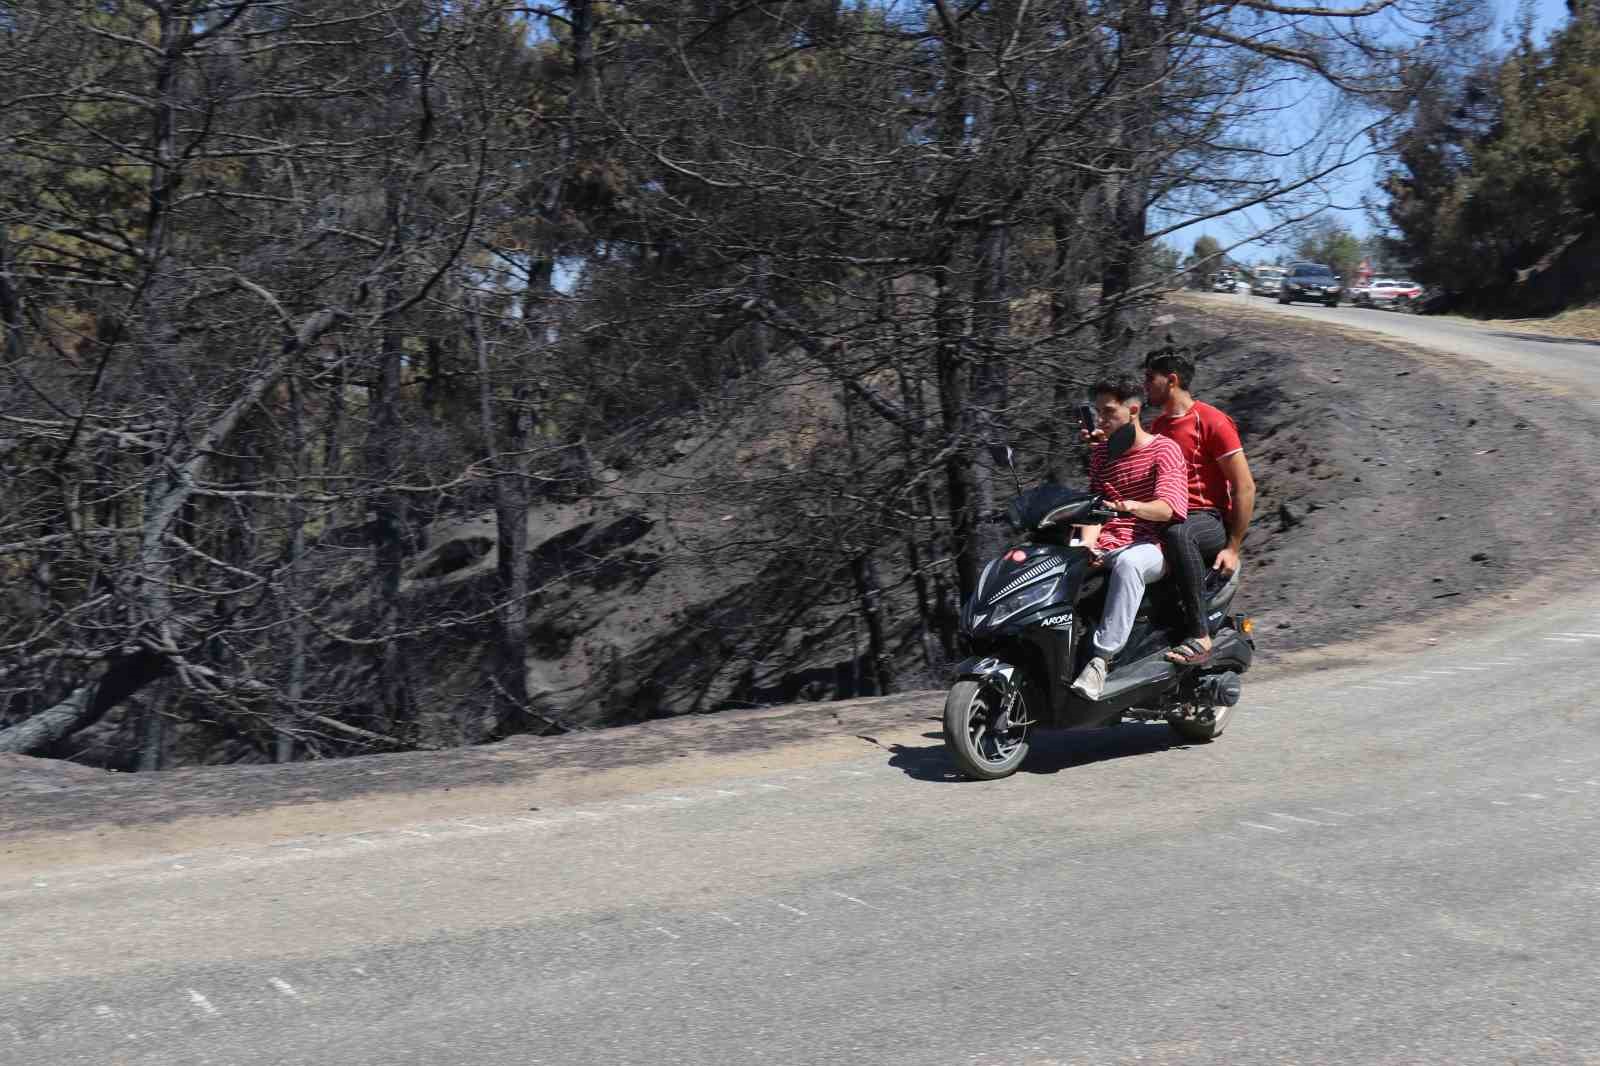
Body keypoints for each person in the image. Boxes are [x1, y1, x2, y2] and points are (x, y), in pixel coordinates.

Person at [1069, 374, 1189, 701]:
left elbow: (1169, 508)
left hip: (1151, 545)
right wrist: (1082, 545)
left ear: (1133, 410)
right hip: (1109, 540)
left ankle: (1100, 661)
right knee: (1058, 559)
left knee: (1128, 563)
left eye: (1108, 412)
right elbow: (1093, 509)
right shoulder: (1100, 456)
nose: (1101, 420)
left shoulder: (1164, 450)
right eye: (1098, 412)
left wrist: (1133, 506)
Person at [1142, 348, 1257, 665]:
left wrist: (1233, 547)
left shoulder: (1212, 421)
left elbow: (1245, 486)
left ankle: (1200, 635)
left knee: (1180, 534)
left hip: (1205, 520)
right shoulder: (1158, 427)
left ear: (1172, 381)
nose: (1145, 385)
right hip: (1165, 514)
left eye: (1151, 378)